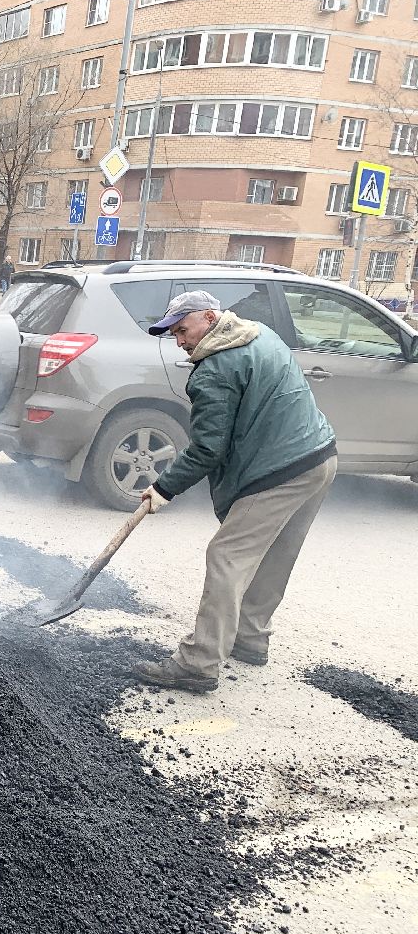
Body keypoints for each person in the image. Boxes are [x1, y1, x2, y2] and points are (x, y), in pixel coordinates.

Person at [133, 290, 337, 693]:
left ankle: (199, 661)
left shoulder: (213, 372)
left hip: (277, 472)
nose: (180, 340)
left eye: (183, 329)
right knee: (277, 552)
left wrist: (163, 488)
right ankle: (250, 638)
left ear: (209, 318)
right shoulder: (260, 334)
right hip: (319, 458)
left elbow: (208, 447)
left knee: (227, 555)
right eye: (173, 333)